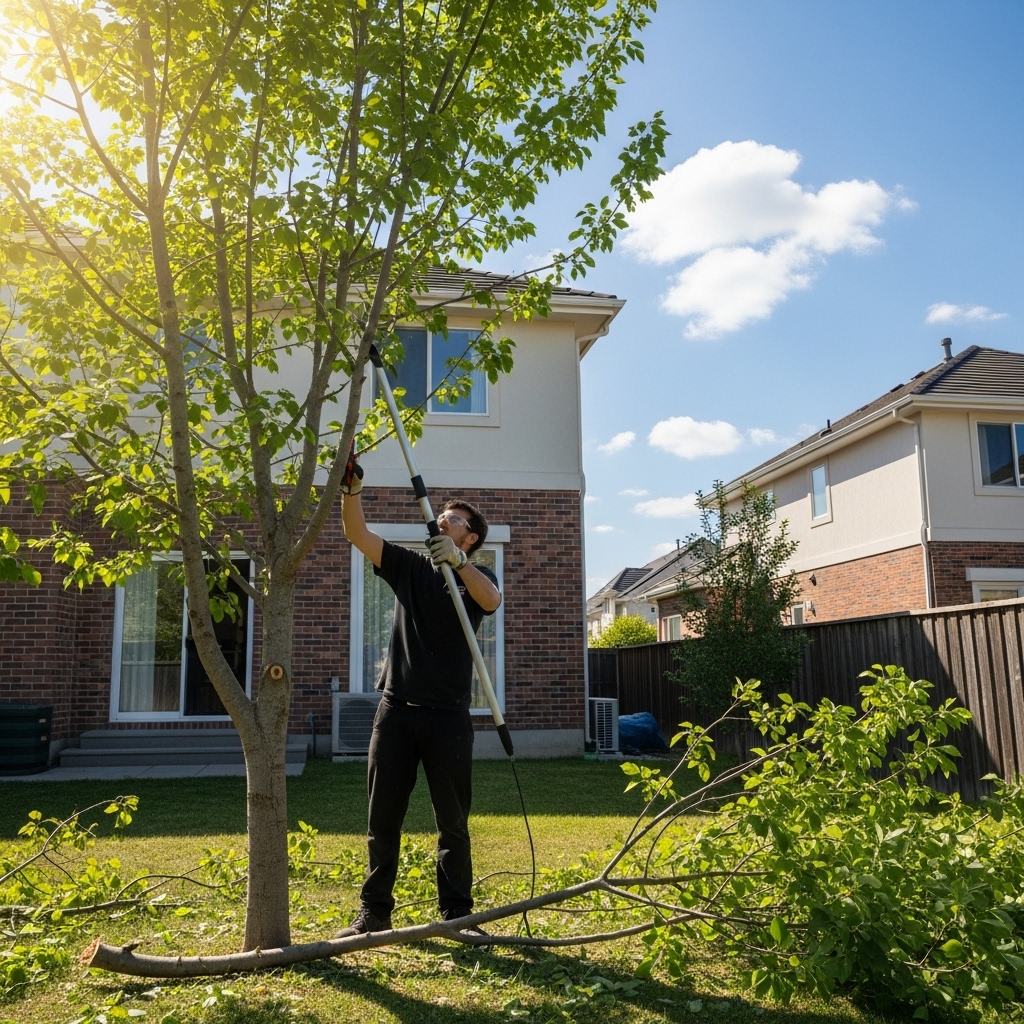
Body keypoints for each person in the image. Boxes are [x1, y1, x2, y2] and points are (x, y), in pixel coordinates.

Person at [337, 455, 501, 937]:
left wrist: (462, 564)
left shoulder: (477, 578)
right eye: (444, 515)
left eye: (454, 519)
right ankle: (374, 912)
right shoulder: (410, 567)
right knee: (382, 818)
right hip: (395, 713)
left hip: (448, 718)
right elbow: (358, 535)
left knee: (453, 822)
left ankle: (457, 915)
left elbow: (491, 601)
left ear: (470, 537)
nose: (444, 520)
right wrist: (351, 493)